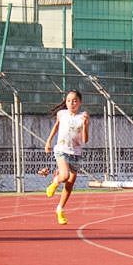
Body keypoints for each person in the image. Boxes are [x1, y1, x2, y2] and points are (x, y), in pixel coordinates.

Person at [44, 89, 90, 225]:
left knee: (70, 184)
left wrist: (86, 125)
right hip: (61, 149)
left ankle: (60, 209)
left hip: (76, 152)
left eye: (75, 101)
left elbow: (85, 139)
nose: (72, 103)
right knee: (64, 176)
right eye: (69, 100)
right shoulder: (61, 114)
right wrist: (48, 141)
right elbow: (56, 127)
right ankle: (55, 182)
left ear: (80, 102)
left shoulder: (83, 117)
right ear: (66, 102)